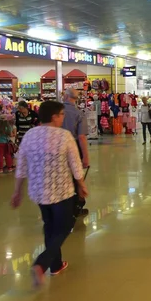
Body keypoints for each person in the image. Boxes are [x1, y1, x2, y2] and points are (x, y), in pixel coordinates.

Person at [11, 101, 88, 286]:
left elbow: (21, 165)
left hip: (38, 190)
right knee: (65, 226)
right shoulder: (64, 136)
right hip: (61, 190)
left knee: (50, 226)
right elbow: (75, 164)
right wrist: (81, 184)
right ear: (54, 116)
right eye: (62, 115)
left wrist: (17, 191)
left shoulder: (30, 135)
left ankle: (56, 265)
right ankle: (41, 264)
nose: (63, 118)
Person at [61, 89, 90, 217]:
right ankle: (76, 207)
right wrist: (85, 157)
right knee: (76, 177)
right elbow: (82, 137)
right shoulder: (79, 114)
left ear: (66, 96)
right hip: (73, 148)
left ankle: (62, 207)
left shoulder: (56, 113)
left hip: (55, 149)